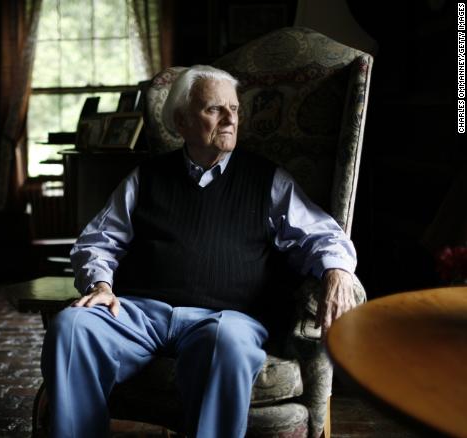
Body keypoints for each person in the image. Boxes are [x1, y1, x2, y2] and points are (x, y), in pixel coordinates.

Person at [40, 65, 358, 438]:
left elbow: (323, 234)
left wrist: (336, 271)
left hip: (226, 318)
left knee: (226, 344)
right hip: (140, 314)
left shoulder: (267, 180)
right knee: (71, 327)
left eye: (234, 109)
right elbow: (98, 240)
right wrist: (101, 284)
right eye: (214, 109)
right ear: (182, 122)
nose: (229, 119)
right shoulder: (146, 177)